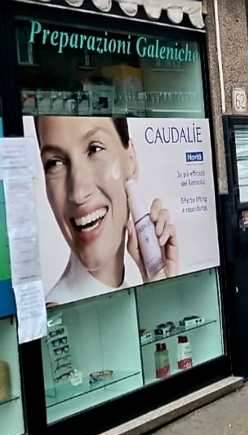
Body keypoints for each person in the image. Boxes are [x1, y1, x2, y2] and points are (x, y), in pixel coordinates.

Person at [35, 116, 178, 305]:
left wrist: (159, 285)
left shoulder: (129, 296)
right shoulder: (60, 316)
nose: (78, 193)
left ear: (131, 160)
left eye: (94, 149)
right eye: (55, 163)